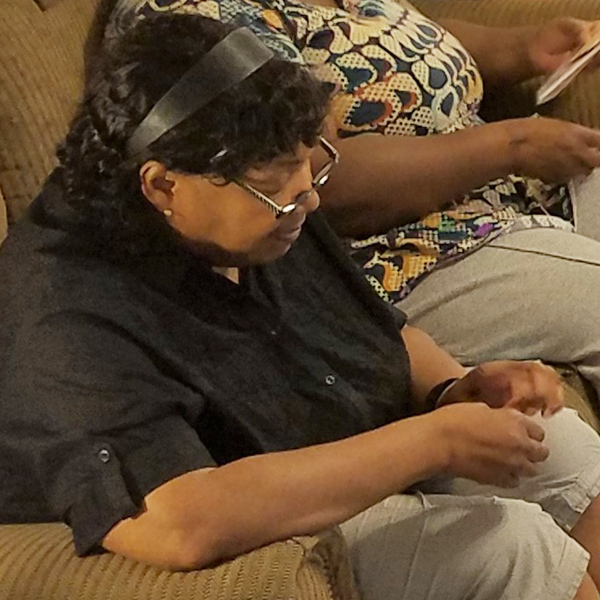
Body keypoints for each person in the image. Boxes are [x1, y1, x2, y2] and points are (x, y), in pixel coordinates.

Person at [2, 12, 600, 600]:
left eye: (310, 168)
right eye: (278, 183)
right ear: (163, 185)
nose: (309, 198)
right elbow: (178, 522)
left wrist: (456, 389)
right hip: (261, 529)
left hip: (343, 457)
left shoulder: (263, 214)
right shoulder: (63, 309)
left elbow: (374, 331)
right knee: (508, 548)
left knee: (561, 447)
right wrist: (435, 441)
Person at [107, 0, 600, 402]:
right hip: (407, 248)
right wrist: (509, 146)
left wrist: (526, 49)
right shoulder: (199, 24)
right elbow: (316, 184)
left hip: (519, 194)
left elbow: (402, 45)